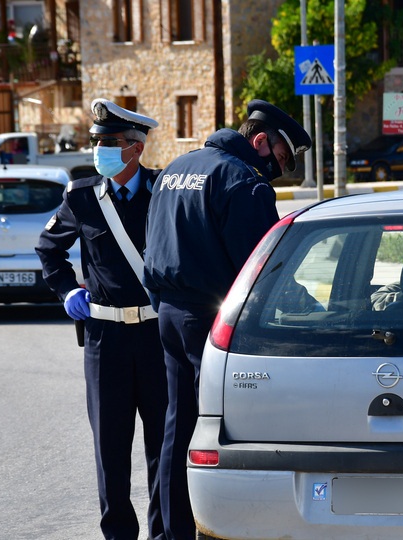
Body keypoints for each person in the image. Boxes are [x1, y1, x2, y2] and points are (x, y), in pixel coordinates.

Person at [142, 99, 311, 540]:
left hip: (169, 316)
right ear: (260, 142)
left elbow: (153, 248)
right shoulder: (243, 182)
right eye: (280, 160)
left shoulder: (176, 169)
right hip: (215, 322)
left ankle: (172, 531)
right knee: (220, 434)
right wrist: (309, 303)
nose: (277, 171)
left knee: (177, 429)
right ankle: (217, 528)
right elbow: (262, 268)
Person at [36, 98, 167, 540]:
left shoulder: (164, 192)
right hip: (104, 339)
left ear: (135, 148)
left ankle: (163, 531)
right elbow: (48, 248)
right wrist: (67, 289)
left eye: (109, 143)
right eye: (95, 142)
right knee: (109, 448)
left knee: (161, 448)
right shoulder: (82, 197)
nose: (98, 151)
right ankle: (117, 535)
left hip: (156, 335)